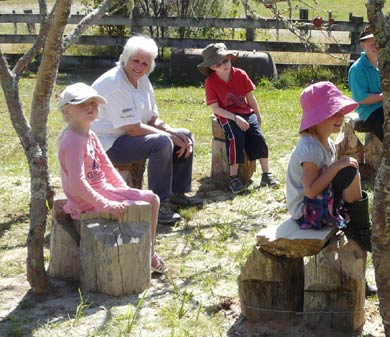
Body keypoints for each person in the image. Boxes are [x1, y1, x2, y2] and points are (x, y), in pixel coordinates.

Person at [91, 35, 201, 226]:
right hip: (106, 144)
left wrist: (173, 132)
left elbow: (152, 118)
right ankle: (160, 201)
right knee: (162, 142)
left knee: (185, 134)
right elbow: (133, 129)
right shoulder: (114, 84)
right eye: (136, 60)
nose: (140, 66)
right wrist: (168, 136)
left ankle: (178, 194)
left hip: (126, 136)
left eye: (145, 63)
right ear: (126, 57)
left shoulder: (143, 81)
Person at [57, 82, 166, 274]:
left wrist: (124, 191)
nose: (90, 107)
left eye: (94, 103)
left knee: (150, 198)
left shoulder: (90, 135)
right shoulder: (73, 139)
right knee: (151, 200)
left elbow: (107, 168)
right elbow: (76, 182)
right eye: (82, 104)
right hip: (86, 199)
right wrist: (105, 204)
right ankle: (148, 252)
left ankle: (148, 248)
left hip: (103, 190)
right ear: (67, 111)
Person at [286, 81, 375, 295]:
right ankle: (360, 230)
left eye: (340, 112)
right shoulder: (310, 148)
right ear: (314, 119)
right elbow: (310, 190)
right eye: (331, 113)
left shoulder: (326, 143)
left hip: (318, 203)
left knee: (349, 172)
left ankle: (360, 229)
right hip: (306, 211)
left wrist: (338, 168)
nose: (339, 118)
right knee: (348, 172)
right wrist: (336, 166)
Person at [197, 43, 279, 193]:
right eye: (218, 63)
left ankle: (267, 174)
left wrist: (257, 116)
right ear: (211, 67)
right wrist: (235, 118)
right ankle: (233, 178)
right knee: (235, 136)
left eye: (225, 60)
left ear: (230, 58)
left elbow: (251, 98)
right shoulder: (210, 82)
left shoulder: (240, 74)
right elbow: (216, 108)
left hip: (246, 112)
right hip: (226, 115)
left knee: (258, 136)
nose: (223, 65)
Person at [348, 25, 384, 141]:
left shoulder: (384, 63)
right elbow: (361, 98)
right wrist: (384, 96)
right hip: (371, 111)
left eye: (378, 42)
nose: (376, 46)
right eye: (371, 44)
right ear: (362, 46)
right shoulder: (358, 69)